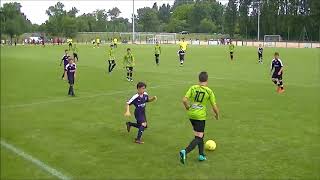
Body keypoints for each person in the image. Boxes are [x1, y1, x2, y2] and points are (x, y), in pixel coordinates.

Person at [179, 71, 220, 164]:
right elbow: (214, 107)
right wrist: (217, 115)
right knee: (199, 136)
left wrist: (187, 107)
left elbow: (184, 100)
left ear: (199, 79)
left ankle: (201, 155)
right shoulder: (209, 91)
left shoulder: (193, 87)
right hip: (200, 116)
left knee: (199, 135)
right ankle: (185, 151)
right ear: (207, 80)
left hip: (191, 114)